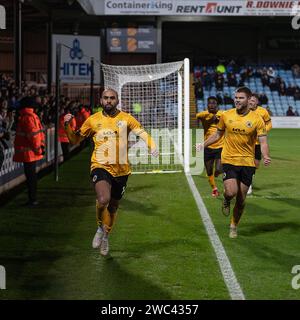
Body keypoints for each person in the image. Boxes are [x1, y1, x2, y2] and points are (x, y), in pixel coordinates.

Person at [64, 88, 158, 256]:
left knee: (113, 206)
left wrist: (152, 146)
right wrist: (66, 125)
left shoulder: (126, 118)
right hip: (100, 165)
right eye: (106, 98)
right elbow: (74, 140)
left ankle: (106, 236)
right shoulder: (92, 120)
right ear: (101, 101)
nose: (108, 100)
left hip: (122, 170)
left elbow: (142, 133)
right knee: (103, 199)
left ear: (117, 100)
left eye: (112, 98)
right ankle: (100, 227)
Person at [197, 87, 271, 238]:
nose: (237, 100)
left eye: (241, 98)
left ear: (248, 100)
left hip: (247, 162)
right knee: (231, 192)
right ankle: (226, 198)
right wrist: (202, 144)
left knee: (242, 199)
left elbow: (263, 142)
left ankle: (233, 225)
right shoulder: (226, 115)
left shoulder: (257, 119)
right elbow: (218, 134)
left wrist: (266, 156)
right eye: (236, 97)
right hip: (229, 159)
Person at [13, 96, 45, 206]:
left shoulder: (27, 117)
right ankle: (32, 199)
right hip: (31, 152)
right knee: (31, 177)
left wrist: (37, 149)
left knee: (31, 178)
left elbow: (33, 136)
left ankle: (32, 200)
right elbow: (38, 134)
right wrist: (40, 148)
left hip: (29, 153)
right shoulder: (33, 116)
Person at [196, 96, 224, 197]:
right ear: (207, 105)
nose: (211, 105)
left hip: (220, 146)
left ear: (217, 105)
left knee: (218, 169)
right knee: (208, 170)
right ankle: (214, 189)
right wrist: (208, 120)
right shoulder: (203, 114)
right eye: (210, 103)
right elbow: (195, 117)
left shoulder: (222, 114)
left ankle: (219, 172)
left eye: (214, 103)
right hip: (207, 146)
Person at [247, 94, 272, 194]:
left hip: (258, 143)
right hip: (247, 143)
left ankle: (249, 179)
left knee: (256, 165)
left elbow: (269, 123)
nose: (250, 102)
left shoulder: (263, 111)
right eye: (249, 100)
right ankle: (248, 184)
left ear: (257, 102)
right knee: (247, 163)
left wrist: (263, 132)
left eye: (253, 101)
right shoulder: (245, 111)